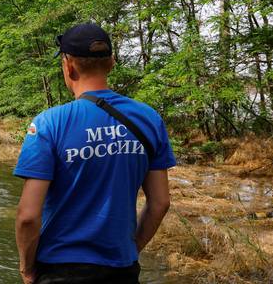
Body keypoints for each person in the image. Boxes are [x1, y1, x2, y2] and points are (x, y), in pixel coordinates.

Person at [14, 23, 175, 284]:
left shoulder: (49, 123)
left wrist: (27, 268)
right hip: (121, 269)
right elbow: (160, 203)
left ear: (69, 66)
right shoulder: (149, 119)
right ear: (111, 63)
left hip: (60, 269)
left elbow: (28, 216)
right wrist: (131, 251)